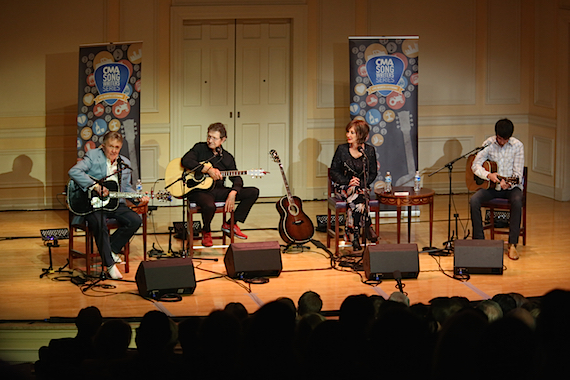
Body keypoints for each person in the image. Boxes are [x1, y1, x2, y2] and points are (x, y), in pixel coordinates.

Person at [69, 131, 149, 279]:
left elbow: (125, 188)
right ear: (103, 146)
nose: (113, 150)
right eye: (111, 146)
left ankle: (111, 249)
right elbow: (74, 171)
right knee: (99, 223)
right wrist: (94, 186)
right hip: (93, 204)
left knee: (135, 220)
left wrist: (138, 198)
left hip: (115, 203)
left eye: (117, 147)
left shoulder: (124, 163)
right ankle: (110, 265)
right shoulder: (93, 156)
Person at [181, 122, 259, 247]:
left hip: (218, 189)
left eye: (214, 138)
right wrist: (206, 169)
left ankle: (231, 224)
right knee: (209, 205)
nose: (210, 140)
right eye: (209, 136)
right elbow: (186, 160)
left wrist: (233, 192)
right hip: (200, 191)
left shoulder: (227, 157)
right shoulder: (199, 148)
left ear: (223, 140)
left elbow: (237, 177)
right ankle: (206, 230)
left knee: (253, 192)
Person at [470, 118, 524, 260]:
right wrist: (488, 175)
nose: (502, 142)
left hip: (511, 187)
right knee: (474, 200)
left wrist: (509, 183)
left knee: (517, 201)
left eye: (505, 139)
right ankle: (479, 241)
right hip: (492, 186)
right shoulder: (488, 144)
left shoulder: (517, 146)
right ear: (496, 135)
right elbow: (475, 165)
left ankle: (512, 244)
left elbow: (518, 174)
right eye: (500, 139)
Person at [329, 119, 378, 251]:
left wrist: (361, 183)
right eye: (348, 132)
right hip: (343, 187)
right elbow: (333, 171)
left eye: (352, 133)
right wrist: (348, 181)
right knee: (358, 196)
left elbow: (373, 173)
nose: (348, 135)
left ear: (360, 135)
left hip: (361, 188)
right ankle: (367, 225)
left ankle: (354, 236)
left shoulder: (369, 151)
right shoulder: (342, 149)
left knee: (357, 200)